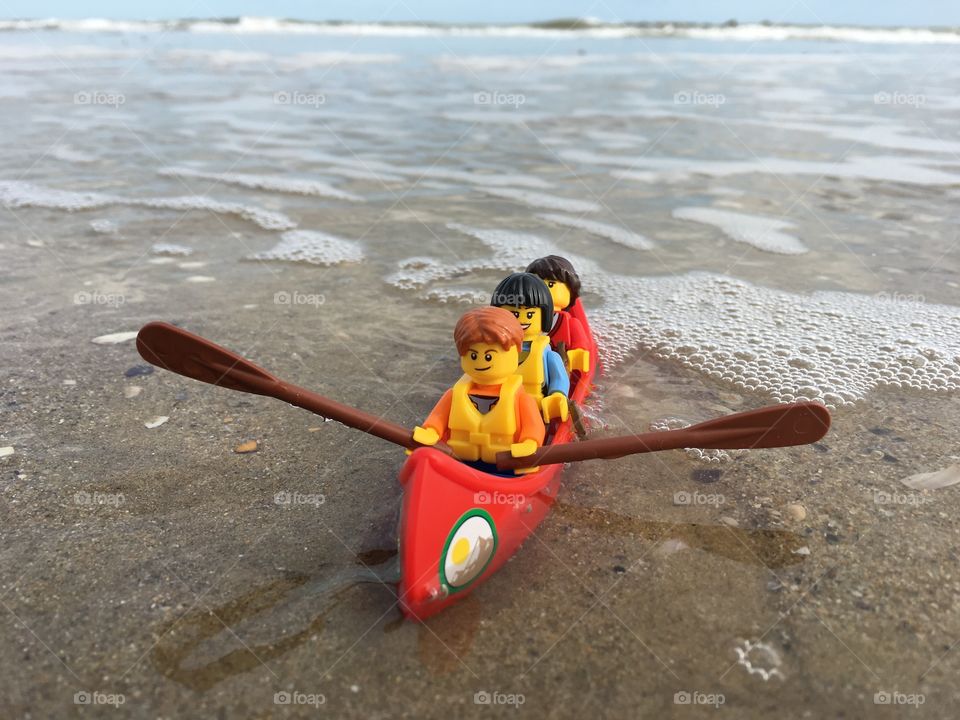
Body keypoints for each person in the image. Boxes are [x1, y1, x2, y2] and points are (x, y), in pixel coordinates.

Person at [412, 306, 545, 472]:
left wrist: (529, 443)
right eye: (473, 356)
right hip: (459, 459)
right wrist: (431, 431)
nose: (481, 362)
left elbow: (534, 426)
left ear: (516, 352)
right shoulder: (456, 394)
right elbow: (438, 418)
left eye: (489, 356)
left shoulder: (521, 398)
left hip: (508, 464)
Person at [490, 273, 569, 422]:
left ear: (544, 316)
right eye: (513, 313)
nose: (522, 319)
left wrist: (557, 395)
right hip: (496, 406)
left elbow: (559, 378)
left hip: (534, 410)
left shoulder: (546, 354)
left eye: (531, 314)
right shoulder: (493, 348)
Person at [525, 255, 591, 373]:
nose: (543, 289)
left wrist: (576, 354)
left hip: (559, 369)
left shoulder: (571, 323)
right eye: (537, 283)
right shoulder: (524, 317)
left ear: (570, 291)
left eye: (550, 284)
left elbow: (581, 344)